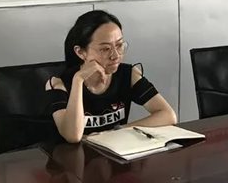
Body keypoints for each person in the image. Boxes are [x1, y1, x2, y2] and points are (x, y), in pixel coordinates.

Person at [45, 10, 177, 143]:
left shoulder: (128, 74)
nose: (116, 55)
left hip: (113, 151)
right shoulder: (58, 83)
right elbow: (73, 136)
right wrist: (78, 80)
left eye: (119, 45)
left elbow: (168, 115)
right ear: (81, 52)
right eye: (105, 49)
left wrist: (117, 131)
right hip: (71, 155)